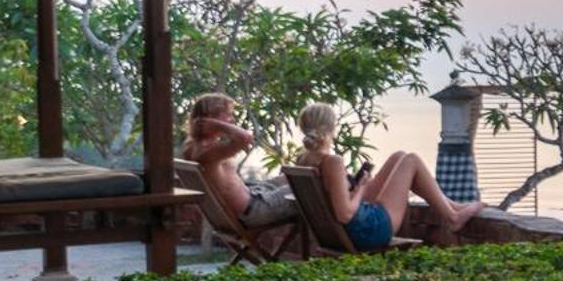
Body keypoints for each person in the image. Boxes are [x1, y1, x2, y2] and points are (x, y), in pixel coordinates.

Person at [294, 102, 481, 250]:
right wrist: (361, 188)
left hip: (347, 230)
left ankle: (452, 206)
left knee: (399, 157)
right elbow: (345, 215)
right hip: (368, 231)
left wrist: (357, 187)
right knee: (412, 160)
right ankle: (452, 217)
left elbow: (334, 200)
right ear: (330, 127)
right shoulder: (332, 162)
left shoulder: (304, 159)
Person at [182, 92, 298, 229]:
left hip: (252, 197)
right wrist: (218, 125)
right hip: (254, 211)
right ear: (212, 117)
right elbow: (245, 138)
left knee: (290, 179)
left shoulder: (191, 145)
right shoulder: (206, 152)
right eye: (228, 115)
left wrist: (214, 125)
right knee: (306, 192)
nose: (232, 120)